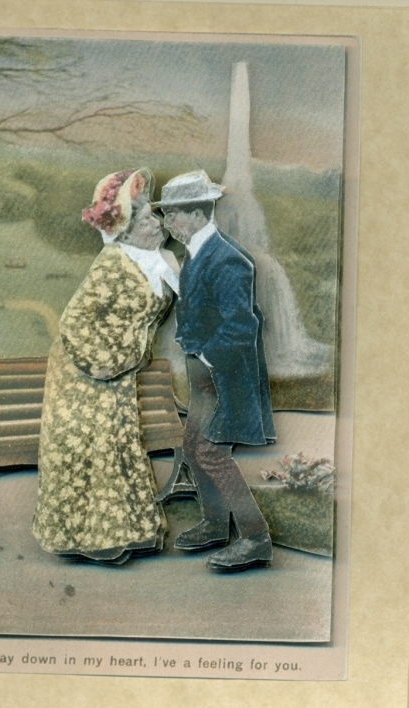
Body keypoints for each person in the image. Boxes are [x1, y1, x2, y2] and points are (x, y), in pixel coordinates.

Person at [32, 168, 179, 565]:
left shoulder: (156, 260)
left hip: (115, 372)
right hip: (83, 373)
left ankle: (124, 531)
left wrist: (126, 360)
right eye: (146, 215)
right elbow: (74, 321)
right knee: (88, 450)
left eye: (153, 212)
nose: (155, 219)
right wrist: (106, 363)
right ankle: (94, 539)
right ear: (127, 230)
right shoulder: (112, 264)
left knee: (117, 446)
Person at [154, 170, 276, 572]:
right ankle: (213, 524)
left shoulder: (228, 259)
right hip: (204, 368)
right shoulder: (197, 251)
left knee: (210, 451)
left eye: (172, 215)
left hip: (224, 371)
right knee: (195, 447)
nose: (167, 224)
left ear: (195, 213)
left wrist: (206, 358)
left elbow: (243, 325)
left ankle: (256, 538)